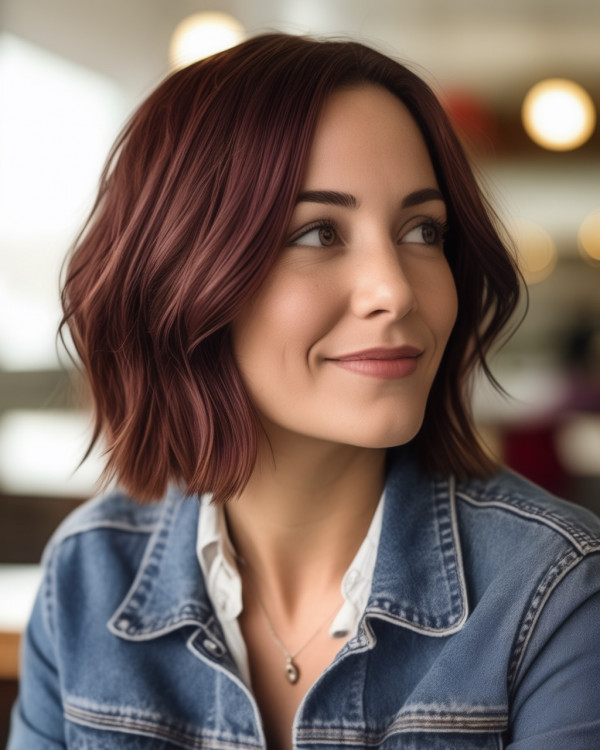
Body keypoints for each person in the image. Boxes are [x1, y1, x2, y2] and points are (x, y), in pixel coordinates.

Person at [8, 33, 600, 749]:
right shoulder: (87, 580)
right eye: (319, 232)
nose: (394, 289)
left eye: (423, 229)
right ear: (183, 276)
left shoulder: (556, 591)